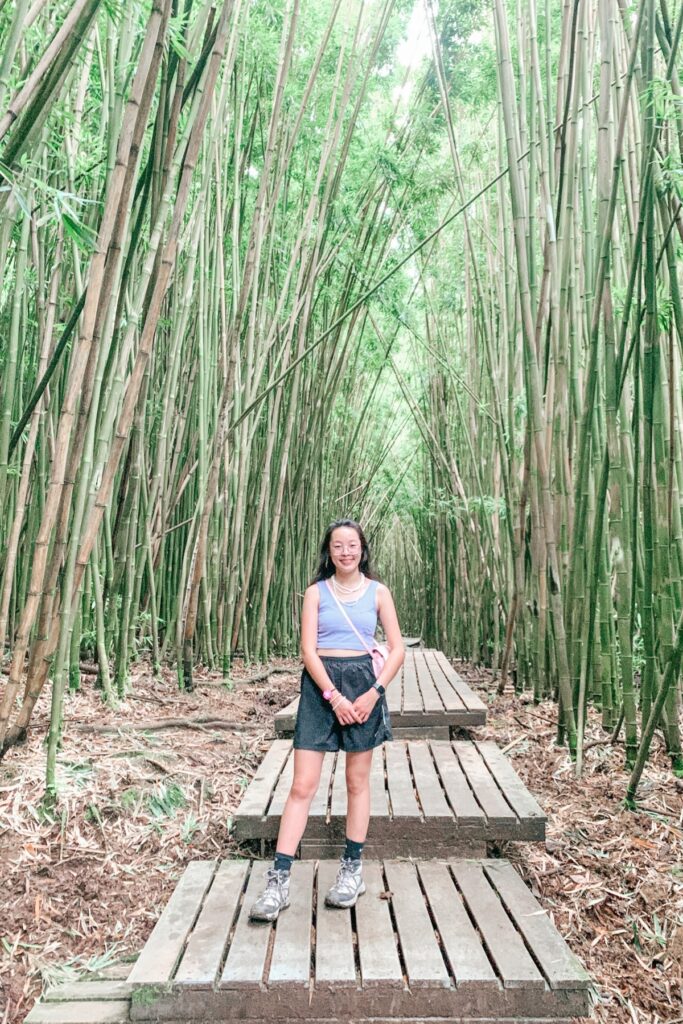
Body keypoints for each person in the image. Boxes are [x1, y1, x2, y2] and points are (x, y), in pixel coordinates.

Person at [249, 518, 404, 921]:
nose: (346, 552)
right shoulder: (316, 593)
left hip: (363, 683)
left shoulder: (378, 592)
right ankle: (279, 880)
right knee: (303, 785)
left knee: (356, 782)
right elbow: (308, 650)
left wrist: (373, 694)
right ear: (329, 551)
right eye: (338, 545)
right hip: (322, 689)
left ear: (362, 549)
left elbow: (398, 649)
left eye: (352, 545)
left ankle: (353, 870)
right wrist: (333, 697)